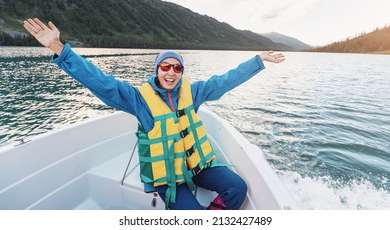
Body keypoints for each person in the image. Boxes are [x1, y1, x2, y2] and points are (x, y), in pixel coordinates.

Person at [23, 18, 285, 210]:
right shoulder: (138, 99)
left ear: (181, 72)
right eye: (165, 66)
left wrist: (258, 61)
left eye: (177, 68)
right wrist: (59, 48)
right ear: (157, 69)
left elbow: (225, 80)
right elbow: (99, 81)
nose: (171, 72)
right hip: (169, 178)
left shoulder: (193, 93)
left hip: (195, 168)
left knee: (237, 187)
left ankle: (212, 213)